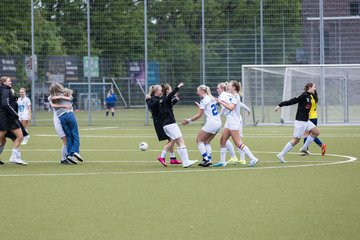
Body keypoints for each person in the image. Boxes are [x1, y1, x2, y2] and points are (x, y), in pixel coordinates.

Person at [216, 80, 258, 167]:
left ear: (234, 87)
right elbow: (229, 104)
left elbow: (231, 107)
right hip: (229, 121)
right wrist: (222, 102)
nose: (228, 87)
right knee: (222, 140)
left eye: (229, 86)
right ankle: (222, 161)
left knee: (238, 143)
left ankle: (253, 158)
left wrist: (220, 102)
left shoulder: (236, 96)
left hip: (234, 121)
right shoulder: (232, 96)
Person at [275, 82, 320, 163]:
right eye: (314, 87)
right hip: (300, 122)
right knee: (295, 140)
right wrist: (280, 105)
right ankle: (281, 154)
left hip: (306, 121)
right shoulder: (303, 95)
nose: (315, 88)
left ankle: (304, 148)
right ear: (309, 87)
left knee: (316, 132)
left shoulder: (310, 96)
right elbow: (292, 101)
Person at [157, 82, 197, 168]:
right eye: (170, 89)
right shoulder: (167, 97)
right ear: (167, 91)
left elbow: (168, 106)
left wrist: (175, 99)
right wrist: (178, 87)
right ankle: (186, 162)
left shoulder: (161, 100)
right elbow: (170, 96)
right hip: (171, 124)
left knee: (178, 142)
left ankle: (185, 161)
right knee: (181, 141)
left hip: (165, 125)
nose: (171, 90)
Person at [182, 85, 222, 167]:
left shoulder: (204, 100)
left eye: (198, 91)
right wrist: (201, 106)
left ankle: (206, 159)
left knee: (199, 140)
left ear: (202, 91)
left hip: (212, 123)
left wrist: (189, 120)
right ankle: (209, 160)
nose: (197, 92)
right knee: (207, 142)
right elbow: (209, 108)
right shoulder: (211, 98)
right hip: (218, 123)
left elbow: (199, 115)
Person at [145, 84, 181, 167]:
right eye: (161, 89)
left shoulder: (158, 99)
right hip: (159, 123)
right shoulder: (152, 99)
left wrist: (175, 100)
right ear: (156, 91)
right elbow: (152, 105)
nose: (162, 90)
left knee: (171, 139)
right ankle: (162, 156)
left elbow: (167, 106)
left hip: (164, 122)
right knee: (172, 139)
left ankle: (172, 158)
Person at [49, 82, 84, 164]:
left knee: (68, 137)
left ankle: (68, 156)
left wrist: (60, 96)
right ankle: (74, 153)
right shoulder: (63, 93)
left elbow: (53, 104)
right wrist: (64, 104)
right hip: (66, 116)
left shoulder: (53, 96)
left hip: (61, 118)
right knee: (73, 135)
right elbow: (70, 98)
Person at [0, 76, 27, 165]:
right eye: (9, 81)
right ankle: (15, 157)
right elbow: (5, 104)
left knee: (19, 137)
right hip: (6, 118)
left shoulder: (8, 90)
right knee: (2, 139)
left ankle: (15, 157)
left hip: (10, 118)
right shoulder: (5, 90)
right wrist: (15, 114)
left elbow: (10, 102)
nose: (11, 82)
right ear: (4, 82)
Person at [302, 89, 326, 156]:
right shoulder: (315, 97)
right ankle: (305, 150)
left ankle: (321, 145)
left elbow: (308, 109)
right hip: (315, 117)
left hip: (310, 118)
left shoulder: (310, 98)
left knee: (308, 134)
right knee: (310, 134)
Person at [48, 95, 70, 164]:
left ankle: (68, 157)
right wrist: (64, 106)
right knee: (65, 140)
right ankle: (63, 159)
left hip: (64, 120)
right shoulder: (51, 97)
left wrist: (61, 96)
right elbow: (52, 105)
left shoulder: (62, 96)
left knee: (68, 139)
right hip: (58, 122)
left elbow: (70, 98)